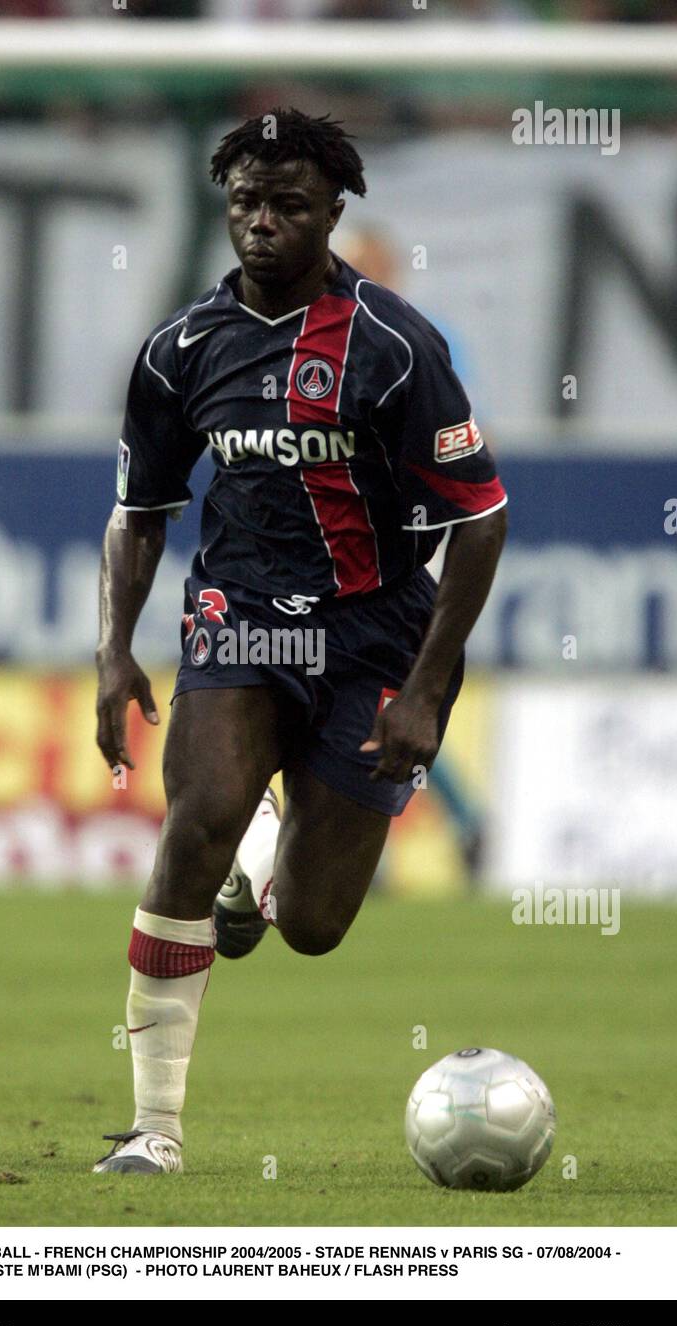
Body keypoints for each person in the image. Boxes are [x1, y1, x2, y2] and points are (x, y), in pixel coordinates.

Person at [93, 108, 507, 1175]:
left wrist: (422, 692)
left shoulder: (395, 345)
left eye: (287, 205)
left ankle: (263, 868)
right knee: (196, 825)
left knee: (316, 925)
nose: (262, 223)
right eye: (244, 202)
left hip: (373, 636)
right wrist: (112, 648)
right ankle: (155, 1131)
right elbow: (140, 509)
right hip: (237, 618)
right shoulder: (180, 348)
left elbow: (479, 516)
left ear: (333, 212)